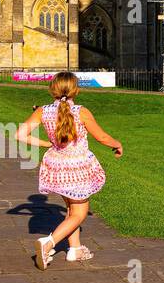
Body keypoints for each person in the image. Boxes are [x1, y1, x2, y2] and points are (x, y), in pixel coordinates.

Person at [15, 72, 122, 269]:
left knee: (71, 211)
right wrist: (117, 144)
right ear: (76, 90)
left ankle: (75, 250)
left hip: (56, 167)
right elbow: (102, 138)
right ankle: (48, 243)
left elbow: (20, 135)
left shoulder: (42, 111)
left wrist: (45, 143)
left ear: (52, 90)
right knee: (79, 214)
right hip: (78, 168)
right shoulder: (81, 112)